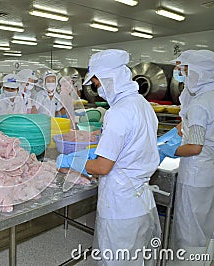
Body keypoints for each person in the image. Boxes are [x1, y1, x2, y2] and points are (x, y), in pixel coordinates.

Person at [59, 49, 161, 265]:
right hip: (140, 200)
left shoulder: (118, 112)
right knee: (135, 258)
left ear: (108, 79)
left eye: (97, 83)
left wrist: (73, 162)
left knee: (115, 259)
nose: (97, 89)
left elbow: (103, 167)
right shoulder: (142, 104)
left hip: (120, 204)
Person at [158, 50, 214, 256]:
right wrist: (173, 134)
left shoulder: (200, 104)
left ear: (200, 73)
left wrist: (169, 149)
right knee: (205, 223)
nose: (182, 74)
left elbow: (195, 146)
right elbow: (190, 127)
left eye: (185, 70)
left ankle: (189, 260)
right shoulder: (210, 95)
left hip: (195, 173)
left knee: (190, 227)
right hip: (208, 170)